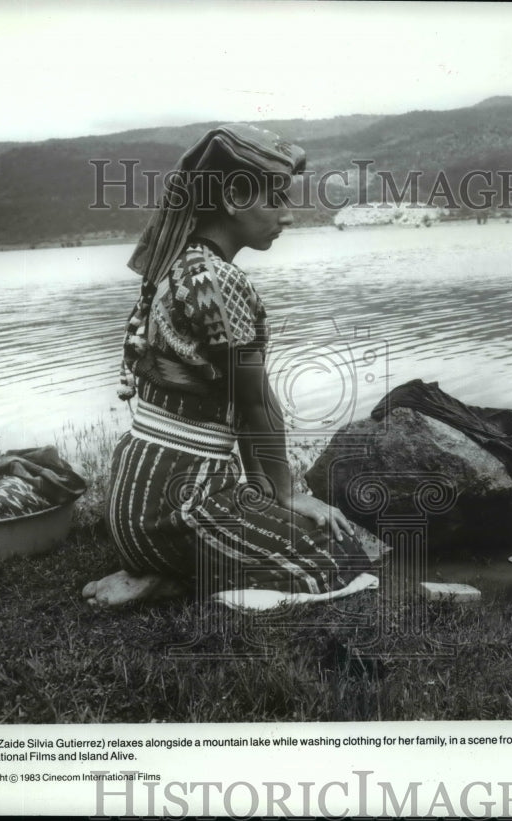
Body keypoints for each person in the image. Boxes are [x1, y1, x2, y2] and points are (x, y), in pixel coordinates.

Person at [82, 123, 377, 609]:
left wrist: (270, 492)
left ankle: (165, 571)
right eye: (276, 199)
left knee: (294, 523)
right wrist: (287, 495)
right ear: (235, 197)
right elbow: (255, 404)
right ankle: (178, 580)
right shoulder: (218, 280)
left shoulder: (180, 265)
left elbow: (241, 409)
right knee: (339, 558)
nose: (287, 215)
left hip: (137, 504)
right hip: (174, 507)